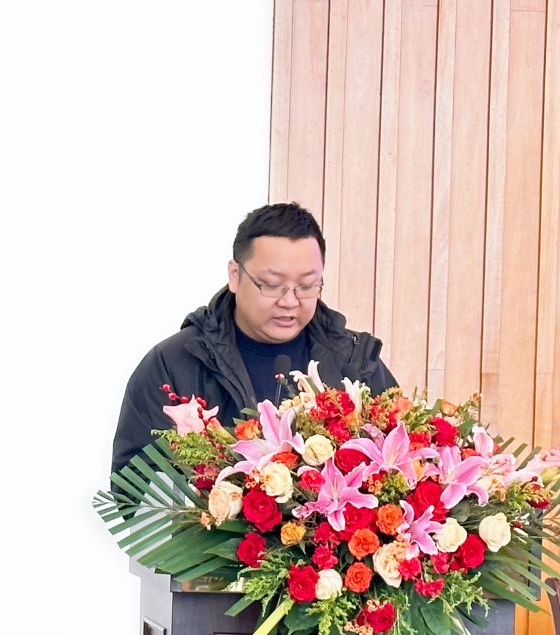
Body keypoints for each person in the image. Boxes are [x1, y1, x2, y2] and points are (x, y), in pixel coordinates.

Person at [112, 202, 396, 474]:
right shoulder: (172, 365)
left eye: (307, 285)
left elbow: (406, 459)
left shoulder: (353, 361)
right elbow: (137, 487)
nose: (289, 301)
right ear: (235, 275)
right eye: (271, 285)